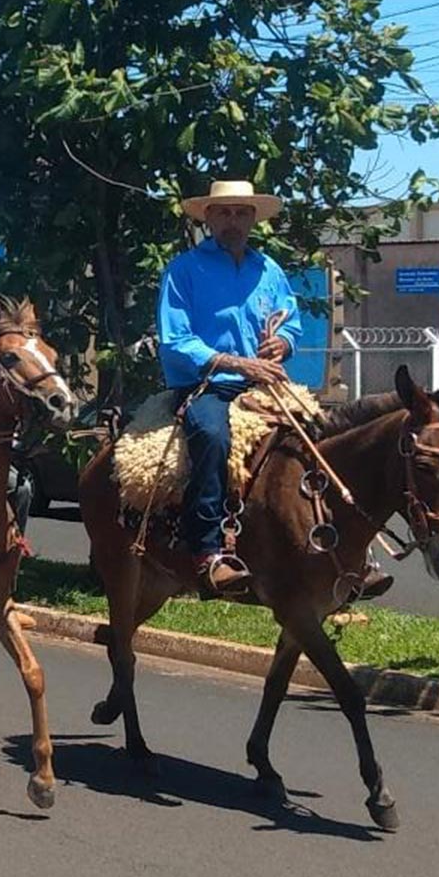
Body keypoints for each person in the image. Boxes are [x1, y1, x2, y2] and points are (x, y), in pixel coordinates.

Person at [158, 179, 303, 595]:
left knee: (323, 430)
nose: (233, 221)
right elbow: (176, 339)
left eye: (241, 213)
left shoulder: (269, 270)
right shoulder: (184, 270)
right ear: (207, 217)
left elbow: (290, 319)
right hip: (207, 385)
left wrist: (285, 341)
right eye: (223, 213)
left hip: (265, 382)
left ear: (254, 219)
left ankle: (335, 547)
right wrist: (237, 362)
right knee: (211, 435)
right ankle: (207, 551)